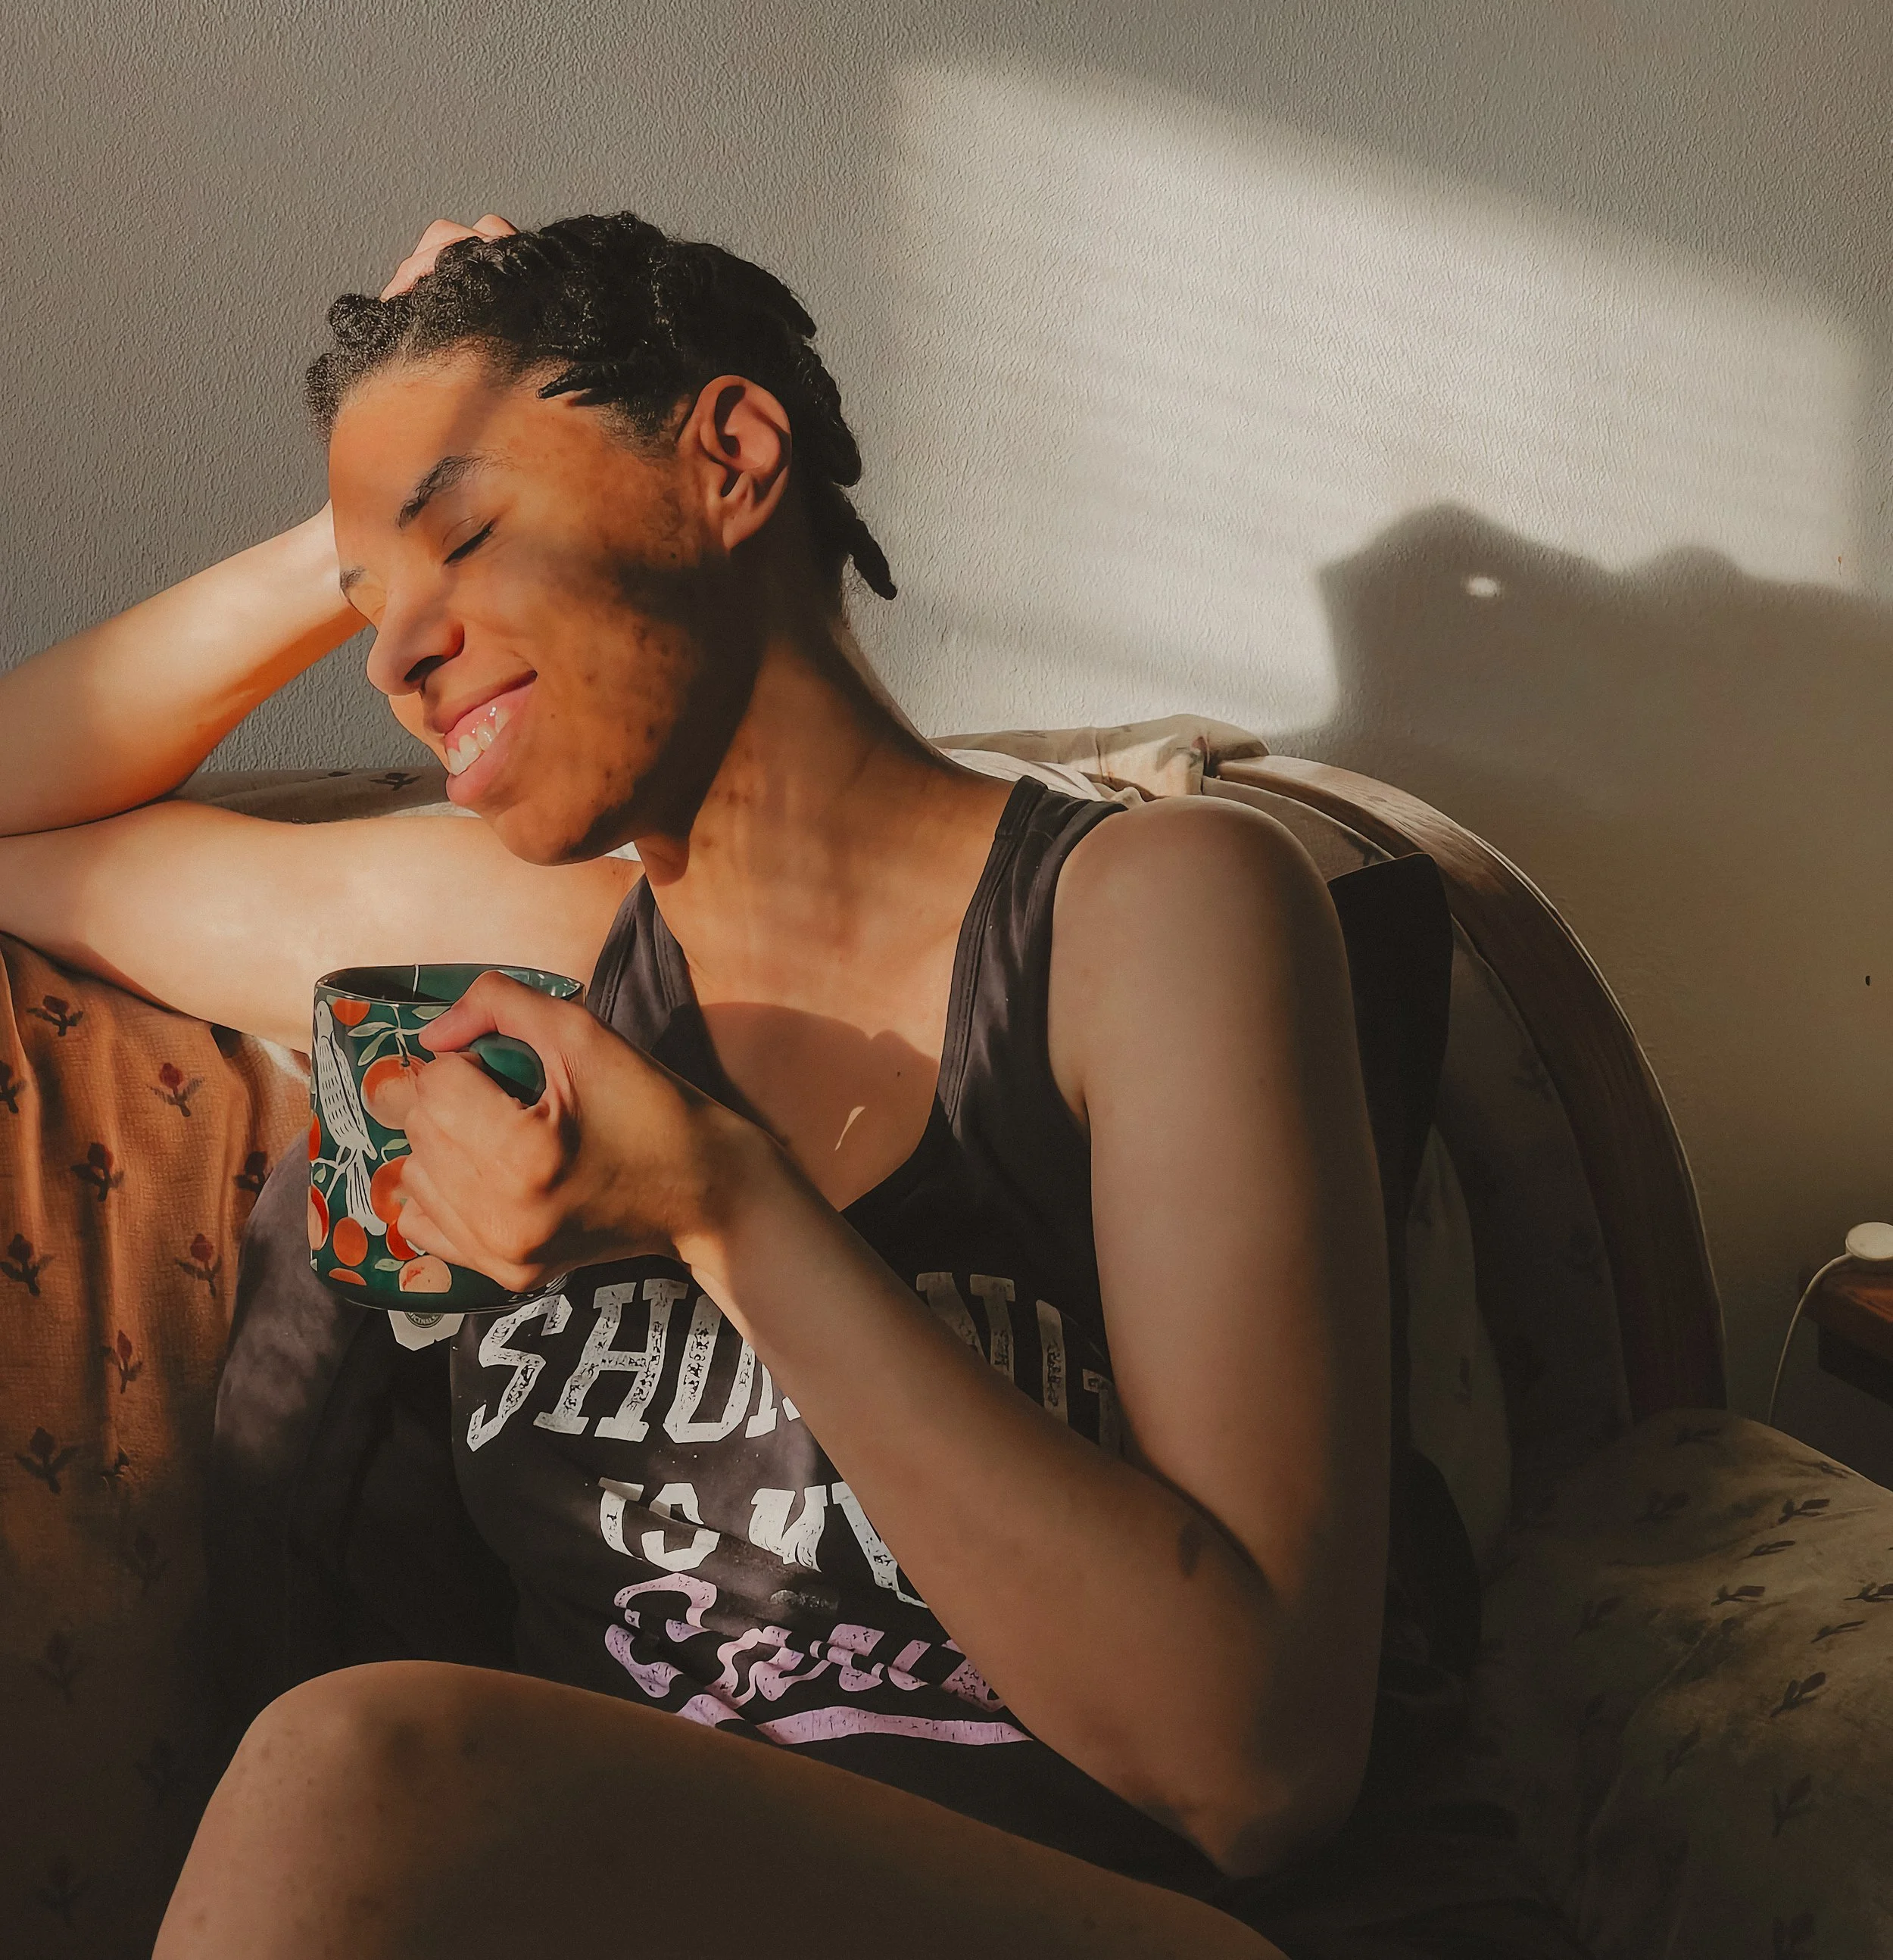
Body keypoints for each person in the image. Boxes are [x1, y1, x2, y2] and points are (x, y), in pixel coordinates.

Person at [0, 212, 1588, 1959]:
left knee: (360, 1766)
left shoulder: (1151, 911)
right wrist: (360, 526)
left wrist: (719, 1205)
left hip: (1198, 1918)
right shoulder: (514, 935)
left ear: (730, 457)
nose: (393, 654)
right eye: (375, 604)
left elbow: (1248, 1763)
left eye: (465, 535)